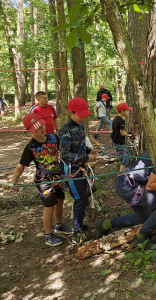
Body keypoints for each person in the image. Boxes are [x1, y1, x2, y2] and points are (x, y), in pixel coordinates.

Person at [95, 124, 156, 247]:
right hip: (129, 187)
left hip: (127, 184)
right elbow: (151, 186)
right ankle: (140, 238)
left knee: (143, 218)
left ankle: (104, 225)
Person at [3, 113, 72, 246]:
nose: (42, 128)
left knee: (60, 201)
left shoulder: (53, 137)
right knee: (49, 207)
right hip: (43, 180)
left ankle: (59, 225)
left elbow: (63, 151)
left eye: (42, 125)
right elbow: (20, 167)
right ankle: (48, 234)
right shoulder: (30, 147)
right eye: (37, 127)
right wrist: (13, 181)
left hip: (56, 176)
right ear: (29, 131)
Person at [59, 97, 99, 244]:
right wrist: (86, 157)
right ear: (71, 112)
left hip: (81, 167)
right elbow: (64, 154)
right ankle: (77, 231)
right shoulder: (65, 129)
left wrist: (91, 152)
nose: (83, 118)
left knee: (84, 197)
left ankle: (80, 225)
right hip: (71, 171)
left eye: (84, 115)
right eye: (80, 114)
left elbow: (81, 145)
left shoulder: (80, 126)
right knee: (80, 200)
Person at [111, 103, 134, 173]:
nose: (128, 112)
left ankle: (122, 175)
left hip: (117, 142)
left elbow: (118, 131)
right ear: (122, 111)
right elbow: (122, 133)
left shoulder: (115, 119)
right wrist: (130, 135)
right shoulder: (121, 121)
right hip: (120, 143)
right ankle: (121, 176)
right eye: (126, 111)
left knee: (124, 158)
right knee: (124, 161)